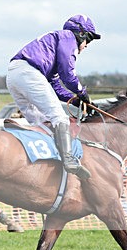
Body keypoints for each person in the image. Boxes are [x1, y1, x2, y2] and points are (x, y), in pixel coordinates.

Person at [6, 14, 100, 179]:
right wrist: (82, 92)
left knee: (40, 122)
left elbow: (56, 85)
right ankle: (69, 160)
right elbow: (68, 74)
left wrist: (75, 99)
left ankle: (37, 163)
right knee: (59, 118)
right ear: (81, 34)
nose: (86, 46)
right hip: (29, 73)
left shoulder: (52, 48)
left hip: (14, 75)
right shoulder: (68, 38)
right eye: (88, 41)